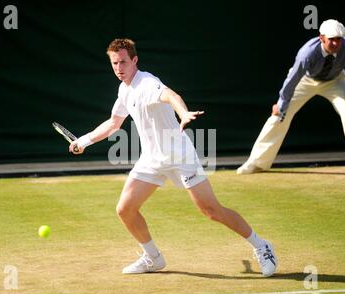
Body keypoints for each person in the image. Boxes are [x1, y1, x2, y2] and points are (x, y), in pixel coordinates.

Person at [69, 38, 277, 277]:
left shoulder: (147, 83)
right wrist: (83, 141)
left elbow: (170, 95)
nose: (119, 67)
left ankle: (262, 246)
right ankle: (153, 258)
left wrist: (183, 112)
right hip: (152, 158)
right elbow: (114, 123)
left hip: (180, 155)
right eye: (114, 63)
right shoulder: (124, 89)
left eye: (123, 62)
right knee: (125, 209)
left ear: (134, 60)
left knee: (211, 210)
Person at [237, 19, 345, 175]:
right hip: (305, 80)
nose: (336, 43)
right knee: (279, 115)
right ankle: (256, 163)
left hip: (335, 81)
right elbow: (292, 80)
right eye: (332, 39)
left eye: (339, 39)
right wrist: (281, 103)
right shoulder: (307, 53)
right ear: (321, 38)